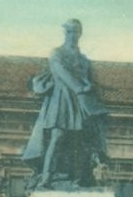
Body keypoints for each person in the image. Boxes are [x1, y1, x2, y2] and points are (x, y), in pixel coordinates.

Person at [21, 18, 108, 188]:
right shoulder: (57, 53)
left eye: (76, 31)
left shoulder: (84, 60)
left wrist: (90, 87)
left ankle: (77, 179)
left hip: (80, 104)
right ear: (65, 33)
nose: (72, 35)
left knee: (78, 140)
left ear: (80, 34)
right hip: (61, 101)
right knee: (57, 137)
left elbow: (92, 81)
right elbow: (60, 72)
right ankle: (46, 177)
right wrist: (80, 88)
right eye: (69, 31)